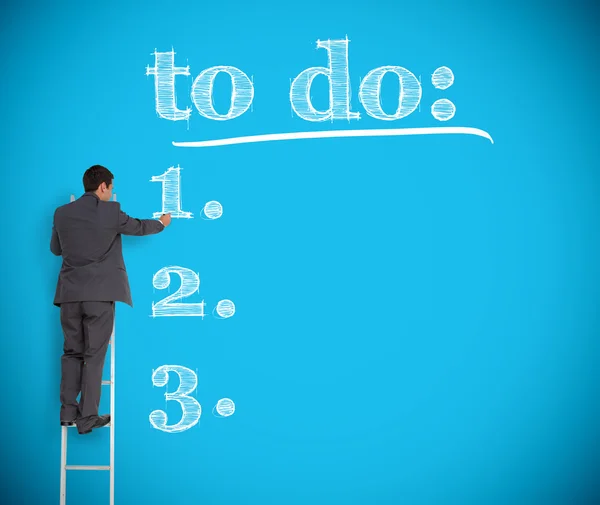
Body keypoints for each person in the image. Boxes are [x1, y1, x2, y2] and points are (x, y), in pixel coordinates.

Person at [50, 165, 171, 434]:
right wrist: (162, 223)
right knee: (93, 356)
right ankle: (87, 418)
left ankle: (68, 412)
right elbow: (138, 227)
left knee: (71, 352)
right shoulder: (110, 211)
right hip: (99, 296)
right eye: (111, 187)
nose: (111, 191)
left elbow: (55, 249)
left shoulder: (61, 213)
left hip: (69, 296)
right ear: (103, 186)